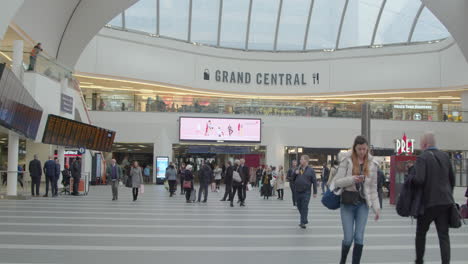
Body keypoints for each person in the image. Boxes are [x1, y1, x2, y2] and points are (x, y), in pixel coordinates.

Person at [334, 136, 380, 264]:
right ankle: (343, 260)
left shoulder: (372, 164)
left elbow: (373, 188)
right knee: (348, 238)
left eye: (364, 149)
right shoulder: (346, 160)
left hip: (363, 204)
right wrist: (352, 179)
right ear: (354, 148)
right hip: (347, 203)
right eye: (359, 149)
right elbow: (337, 182)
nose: (362, 152)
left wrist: (377, 208)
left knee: (359, 237)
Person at [412, 132, 455, 264]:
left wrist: (411, 178)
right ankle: (446, 262)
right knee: (443, 236)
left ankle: (419, 260)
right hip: (444, 202)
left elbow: (419, 180)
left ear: (425, 144)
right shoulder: (445, 156)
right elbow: (452, 179)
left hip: (427, 203)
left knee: (421, 234)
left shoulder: (422, 158)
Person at [294, 155, 318, 229]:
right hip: (297, 191)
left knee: (304, 206)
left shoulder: (311, 170)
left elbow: (314, 181)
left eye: (301, 159)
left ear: (306, 161)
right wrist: (295, 173)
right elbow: (292, 178)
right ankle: (304, 218)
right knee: (299, 206)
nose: (300, 161)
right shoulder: (298, 168)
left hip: (306, 192)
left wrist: (315, 192)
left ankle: (302, 222)